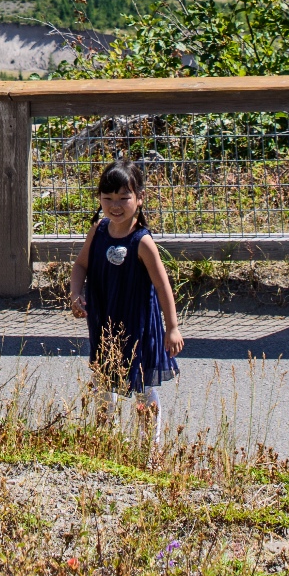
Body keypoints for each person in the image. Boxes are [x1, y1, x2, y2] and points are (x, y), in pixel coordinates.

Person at [70, 158, 183, 443]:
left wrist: (172, 327)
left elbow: (162, 285)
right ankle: (106, 439)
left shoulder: (142, 242)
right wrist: (76, 293)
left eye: (124, 198)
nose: (115, 205)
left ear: (140, 199)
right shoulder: (98, 231)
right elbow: (80, 265)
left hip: (138, 324)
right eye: (107, 198)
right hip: (105, 322)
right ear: (99, 199)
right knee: (103, 381)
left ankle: (149, 446)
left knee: (142, 385)